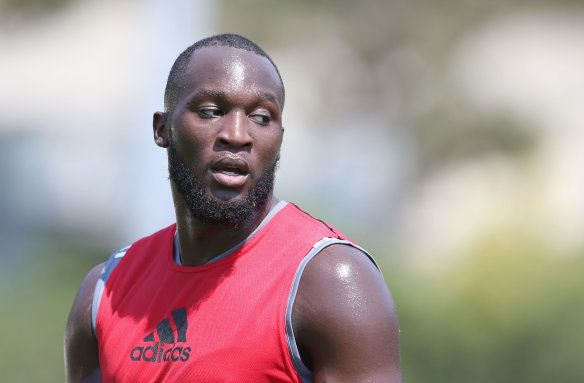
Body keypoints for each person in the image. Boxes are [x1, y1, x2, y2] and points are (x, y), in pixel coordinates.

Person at [64, 33, 401, 383]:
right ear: (162, 129)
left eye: (261, 117)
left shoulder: (331, 281)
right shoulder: (104, 292)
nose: (237, 134)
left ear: (279, 139)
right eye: (211, 111)